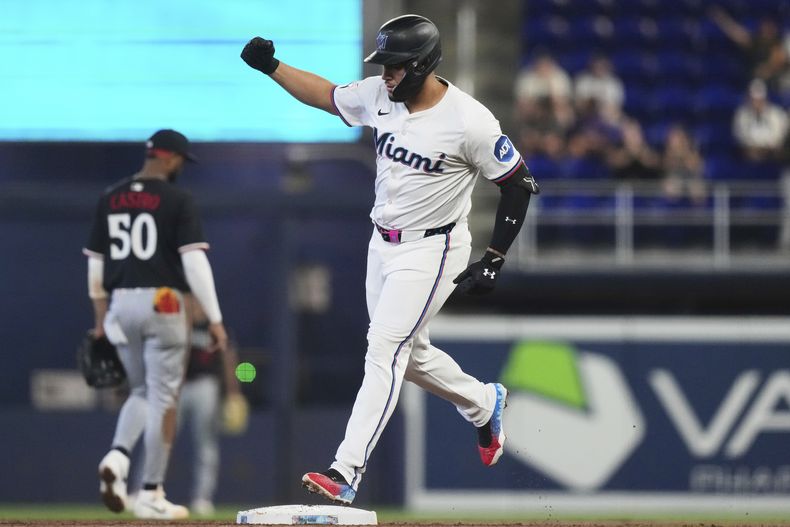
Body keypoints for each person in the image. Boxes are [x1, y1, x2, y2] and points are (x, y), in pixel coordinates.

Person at [241, 14, 539, 504]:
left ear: (422, 66)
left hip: (434, 246)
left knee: (383, 348)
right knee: (410, 355)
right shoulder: (382, 95)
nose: (386, 74)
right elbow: (328, 95)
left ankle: (346, 470)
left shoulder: (470, 120)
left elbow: (518, 183)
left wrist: (494, 257)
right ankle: (484, 403)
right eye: (384, 66)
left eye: (395, 66)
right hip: (383, 243)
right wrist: (273, 66)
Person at [83, 129, 227, 520]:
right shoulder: (177, 198)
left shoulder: (110, 196)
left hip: (119, 304)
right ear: (170, 158)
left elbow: (96, 265)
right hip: (164, 301)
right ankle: (150, 492)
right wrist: (215, 319)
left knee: (141, 391)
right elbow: (195, 262)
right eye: (181, 159)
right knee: (164, 399)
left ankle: (117, 455)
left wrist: (100, 321)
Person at [178, 296, 248, 516]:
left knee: (206, 443)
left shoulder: (216, 325)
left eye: (198, 301)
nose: (194, 305)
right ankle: (146, 491)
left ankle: (202, 498)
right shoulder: (177, 322)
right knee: (161, 441)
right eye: (191, 301)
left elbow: (229, 359)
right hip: (177, 386)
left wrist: (233, 393)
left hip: (206, 386)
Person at [732, 79, 789, 162]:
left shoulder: (777, 115)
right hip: (749, 156)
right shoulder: (741, 115)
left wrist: (764, 148)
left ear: (765, 99)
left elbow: (778, 138)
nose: (756, 103)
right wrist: (753, 148)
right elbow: (740, 137)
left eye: (759, 100)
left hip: (772, 156)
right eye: (754, 100)